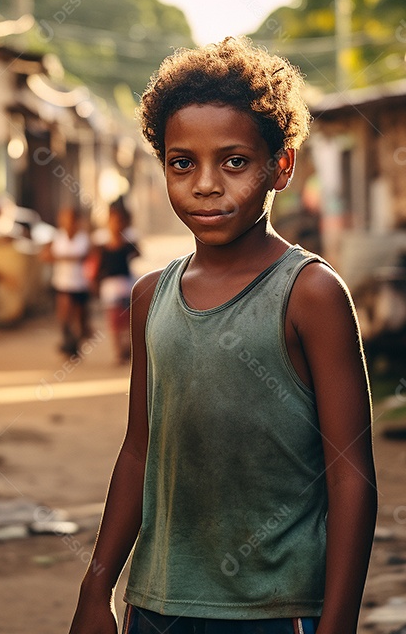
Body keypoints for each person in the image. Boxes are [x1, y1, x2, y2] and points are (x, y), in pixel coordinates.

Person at [68, 37, 377, 634]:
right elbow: (138, 452)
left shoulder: (309, 294)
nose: (205, 184)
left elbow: (351, 475)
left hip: (277, 609)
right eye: (182, 163)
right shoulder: (149, 298)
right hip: (158, 606)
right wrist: (95, 588)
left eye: (234, 162)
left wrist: (338, 625)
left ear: (280, 166)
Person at [94, 202, 140, 364]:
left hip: (126, 284)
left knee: (127, 319)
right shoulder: (101, 243)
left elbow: (138, 254)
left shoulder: (129, 242)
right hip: (110, 287)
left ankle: (127, 346)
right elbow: (97, 266)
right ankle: (118, 350)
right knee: (114, 319)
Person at [48, 207, 92, 356]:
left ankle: (76, 342)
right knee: (64, 314)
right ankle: (67, 342)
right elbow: (47, 255)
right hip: (62, 282)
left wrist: (63, 257)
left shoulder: (83, 238)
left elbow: (87, 255)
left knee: (80, 318)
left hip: (80, 283)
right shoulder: (58, 237)